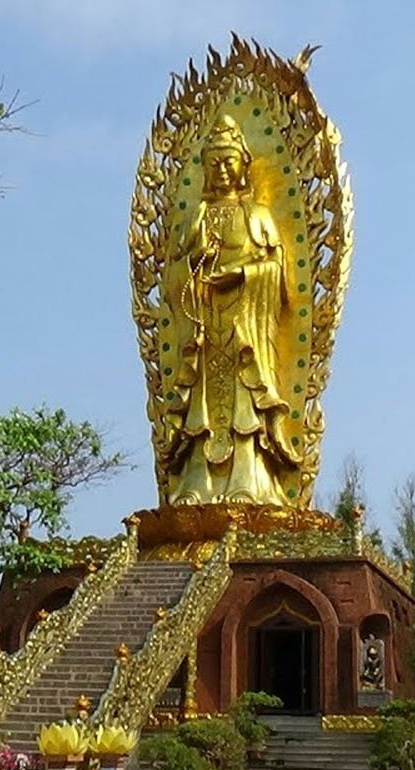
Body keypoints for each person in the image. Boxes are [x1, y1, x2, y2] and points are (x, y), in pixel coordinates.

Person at [163, 114, 301, 505]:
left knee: (244, 404)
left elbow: (279, 278)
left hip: (245, 329)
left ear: (243, 165)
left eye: (229, 162)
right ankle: (197, 483)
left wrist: (241, 275)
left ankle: (249, 479)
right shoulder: (199, 218)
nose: (222, 171)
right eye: (214, 163)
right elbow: (173, 280)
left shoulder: (257, 215)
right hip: (205, 332)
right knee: (202, 410)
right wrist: (195, 268)